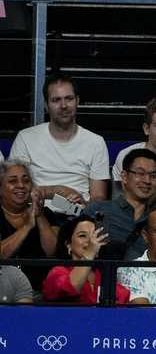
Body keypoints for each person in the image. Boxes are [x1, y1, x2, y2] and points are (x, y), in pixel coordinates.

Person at [9, 74, 109, 204]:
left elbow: (98, 199)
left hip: (78, 216)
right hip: (34, 212)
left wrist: (84, 205)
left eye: (69, 98)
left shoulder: (96, 142)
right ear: (46, 105)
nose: (63, 106)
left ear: (77, 101)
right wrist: (58, 191)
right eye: (56, 100)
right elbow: (14, 190)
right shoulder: (25, 138)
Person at [84, 149, 156, 260]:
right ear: (124, 177)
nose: (147, 181)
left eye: (153, 176)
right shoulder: (97, 209)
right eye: (140, 173)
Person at [42, 214, 131, 304]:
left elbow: (123, 298)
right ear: (68, 244)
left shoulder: (102, 276)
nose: (90, 241)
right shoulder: (57, 272)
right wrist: (89, 254)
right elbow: (70, 288)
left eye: (93, 236)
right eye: (82, 236)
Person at [0, 159, 59, 291]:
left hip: (40, 292)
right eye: (12, 181)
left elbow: (53, 251)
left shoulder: (46, 215)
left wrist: (39, 214)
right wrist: (27, 227)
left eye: (26, 181)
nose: (21, 185)